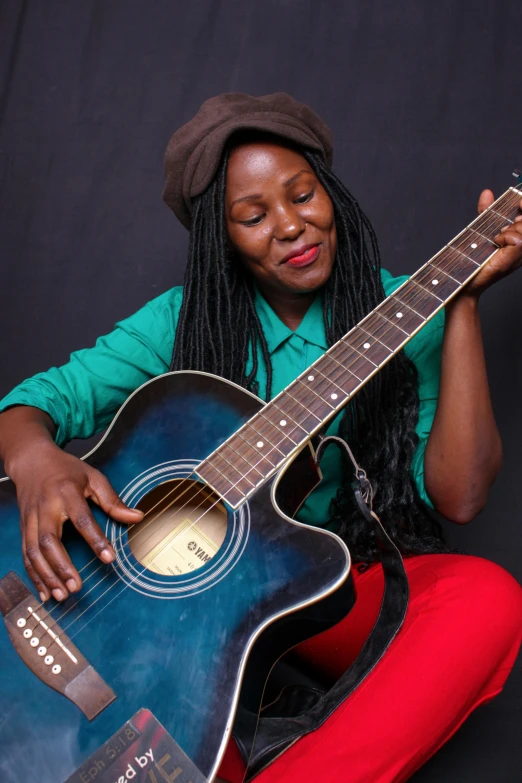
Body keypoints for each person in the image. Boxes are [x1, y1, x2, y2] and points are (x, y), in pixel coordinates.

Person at [0, 93, 521, 782]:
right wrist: (36, 460)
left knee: (487, 603)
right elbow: (35, 403)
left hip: (316, 580)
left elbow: (461, 494)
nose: (290, 226)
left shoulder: (403, 312)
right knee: (170, 755)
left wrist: (462, 307)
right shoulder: (183, 321)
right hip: (184, 616)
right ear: (224, 241)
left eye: (303, 194)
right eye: (252, 216)